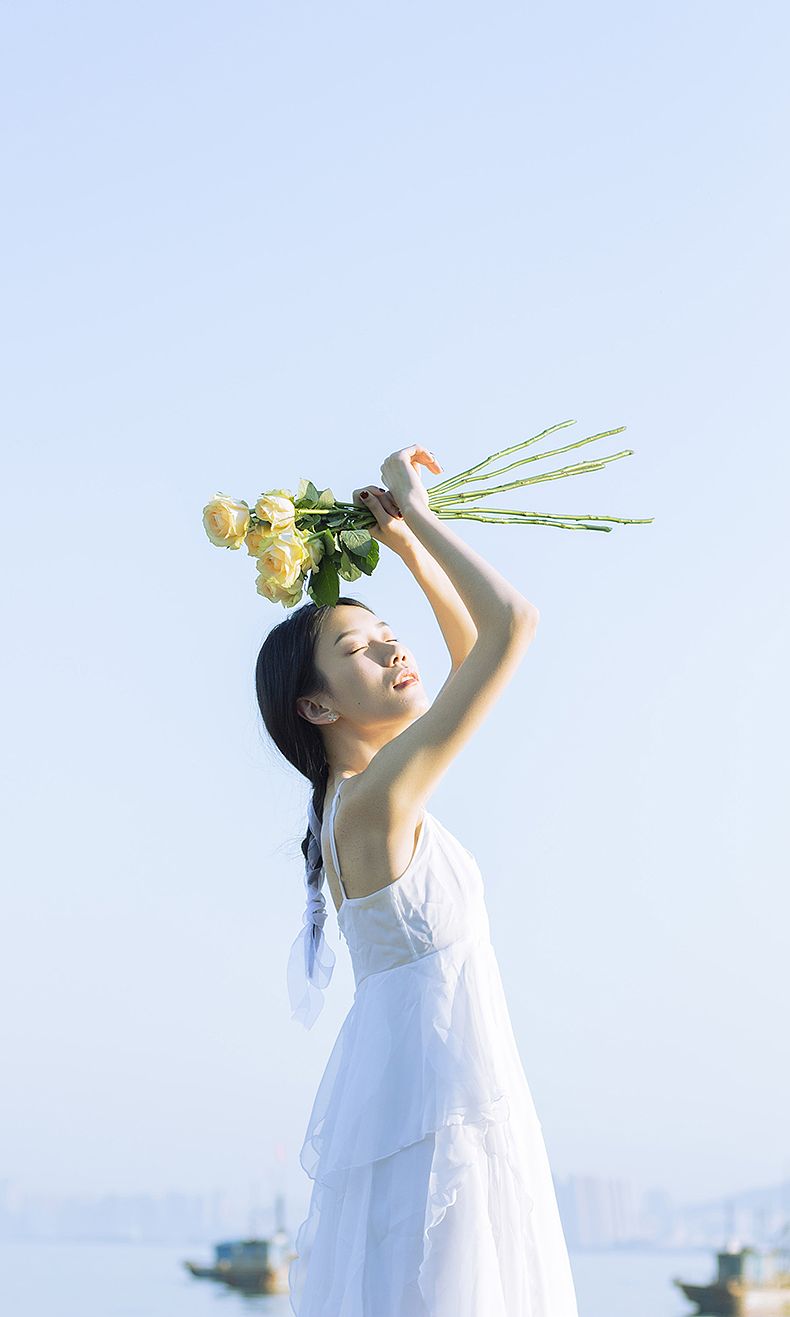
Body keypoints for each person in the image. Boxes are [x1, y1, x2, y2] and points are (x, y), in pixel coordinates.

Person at [255, 445, 579, 1317]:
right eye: (363, 650)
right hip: (446, 1124)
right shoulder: (371, 804)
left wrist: (405, 549)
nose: (394, 650)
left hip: (439, 1108)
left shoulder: (359, 800)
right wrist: (421, 510)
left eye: (389, 636)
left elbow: (471, 648)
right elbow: (512, 623)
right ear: (318, 707)